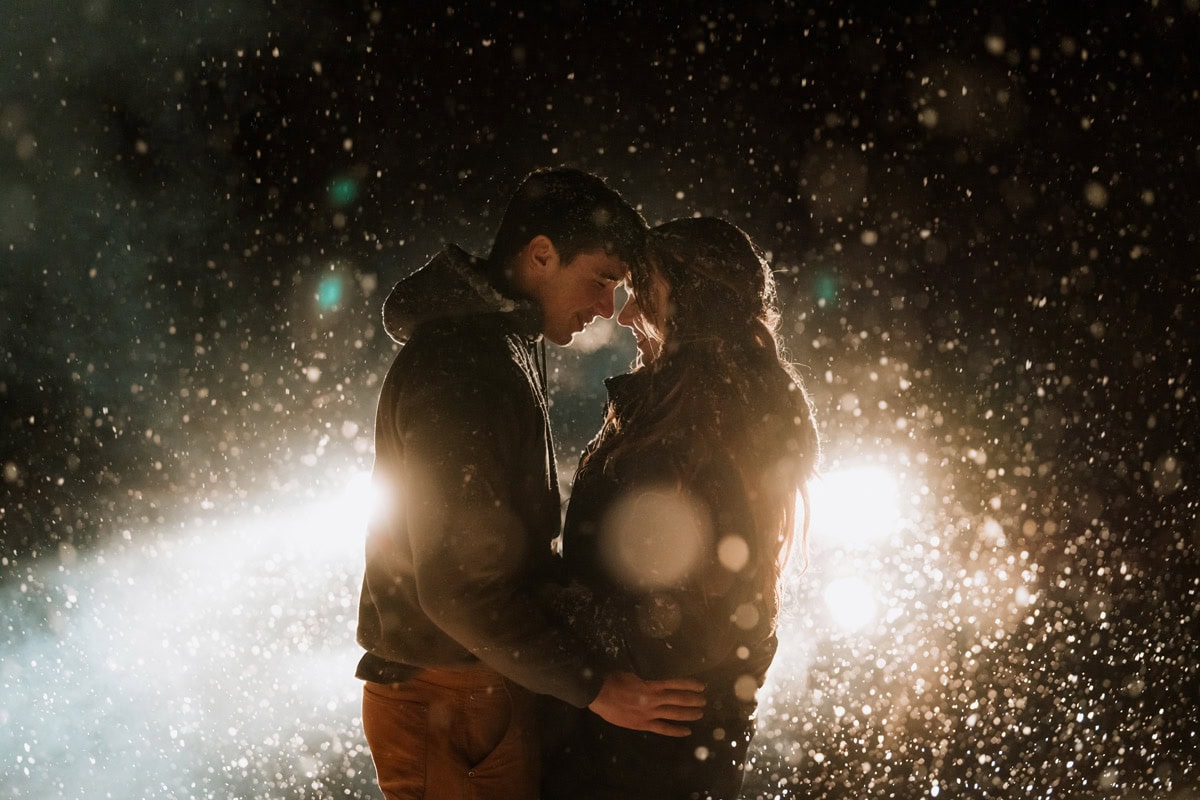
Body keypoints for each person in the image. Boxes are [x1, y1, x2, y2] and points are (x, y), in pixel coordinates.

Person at [355, 168, 707, 800]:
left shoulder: (497, 344)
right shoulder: (464, 366)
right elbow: (458, 588)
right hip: (452, 694)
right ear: (541, 254)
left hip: (469, 686)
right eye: (602, 279)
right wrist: (596, 687)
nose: (608, 308)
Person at [542, 217, 821, 800]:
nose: (621, 315)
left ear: (692, 304)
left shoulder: (700, 419)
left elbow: (693, 612)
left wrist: (548, 611)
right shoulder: (685, 404)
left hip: (645, 752)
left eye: (642, 294)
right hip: (657, 740)